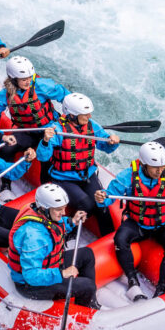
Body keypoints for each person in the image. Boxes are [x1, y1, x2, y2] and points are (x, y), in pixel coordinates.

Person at [94, 142, 165, 301]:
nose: (160, 171)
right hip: (138, 223)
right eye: (155, 167)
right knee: (120, 239)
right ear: (144, 165)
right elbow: (109, 197)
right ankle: (132, 280)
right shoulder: (128, 176)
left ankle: (161, 289)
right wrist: (101, 198)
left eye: (162, 166)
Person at [36, 93, 120, 235]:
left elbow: (105, 146)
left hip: (87, 174)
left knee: (101, 204)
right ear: (72, 115)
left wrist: (112, 141)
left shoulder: (92, 126)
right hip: (63, 178)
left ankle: (111, 237)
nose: (89, 117)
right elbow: (42, 157)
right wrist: (45, 140)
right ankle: (69, 231)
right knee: (86, 204)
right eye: (85, 114)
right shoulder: (57, 130)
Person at [7, 183, 101, 309]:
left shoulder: (41, 213)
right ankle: (82, 316)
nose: (63, 213)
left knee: (87, 254)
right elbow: (31, 276)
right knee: (88, 286)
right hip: (31, 286)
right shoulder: (34, 237)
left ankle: (90, 304)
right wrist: (62, 273)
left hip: (48, 266)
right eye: (58, 209)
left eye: (63, 208)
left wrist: (72, 221)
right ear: (45, 208)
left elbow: (55, 228)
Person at [0, 56, 69, 166]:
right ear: (14, 79)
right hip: (27, 132)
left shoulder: (41, 85)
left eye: (29, 77)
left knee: (49, 157)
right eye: (24, 80)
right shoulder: (5, 94)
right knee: (6, 149)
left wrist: (70, 115)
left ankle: (50, 181)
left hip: (50, 128)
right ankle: (6, 182)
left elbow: (66, 97)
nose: (28, 82)